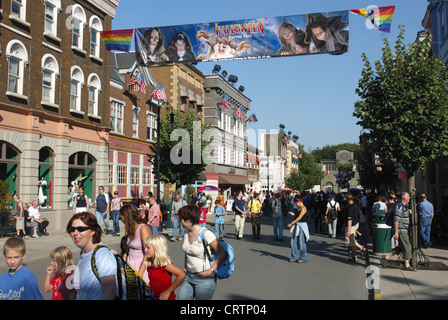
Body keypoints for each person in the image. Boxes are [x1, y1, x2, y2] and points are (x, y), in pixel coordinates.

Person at [177, 205, 226, 300]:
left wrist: (211, 270)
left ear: (188, 220)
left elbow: (222, 253)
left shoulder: (206, 234)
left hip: (204, 278)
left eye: (181, 219)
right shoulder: (186, 232)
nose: (179, 221)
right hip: (188, 276)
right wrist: (185, 267)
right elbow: (187, 251)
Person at [66, 212, 117, 299]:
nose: (75, 233)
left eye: (81, 229)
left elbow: (110, 293)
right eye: (72, 229)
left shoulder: (102, 255)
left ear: (93, 231)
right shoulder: (84, 254)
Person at [139, 234, 186, 300]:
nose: (145, 250)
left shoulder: (164, 263)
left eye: (148, 247)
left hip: (165, 298)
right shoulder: (150, 263)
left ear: (157, 248)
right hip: (154, 296)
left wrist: (168, 291)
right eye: (145, 247)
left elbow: (181, 275)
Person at [381, 192, 416, 271]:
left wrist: (408, 211)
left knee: (401, 247)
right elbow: (396, 220)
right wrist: (396, 232)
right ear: (404, 198)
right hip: (401, 230)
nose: (409, 198)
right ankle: (407, 265)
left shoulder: (405, 206)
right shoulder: (399, 207)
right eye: (408, 197)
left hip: (404, 229)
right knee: (407, 246)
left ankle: (386, 257)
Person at [119, 204, 152, 283]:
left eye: (123, 219)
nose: (122, 221)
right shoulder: (131, 229)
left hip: (141, 267)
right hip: (131, 266)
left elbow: (148, 252)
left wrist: (140, 273)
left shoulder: (143, 228)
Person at [287, 196, 309, 263]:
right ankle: (294, 256)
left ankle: (303, 257)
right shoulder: (299, 208)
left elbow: (300, 217)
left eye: (296, 203)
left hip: (302, 226)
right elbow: (297, 216)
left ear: (299, 201)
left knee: (302, 243)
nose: (296, 205)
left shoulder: (304, 208)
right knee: (293, 241)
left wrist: (291, 223)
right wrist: (293, 214)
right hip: (297, 225)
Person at [345, 194, 366, 262]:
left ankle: (355, 256)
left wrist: (348, 230)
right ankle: (361, 249)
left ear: (347, 199)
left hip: (351, 225)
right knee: (352, 240)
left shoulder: (350, 207)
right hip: (356, 223)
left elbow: (349, 219)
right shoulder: (356, 206)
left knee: (351, 242)